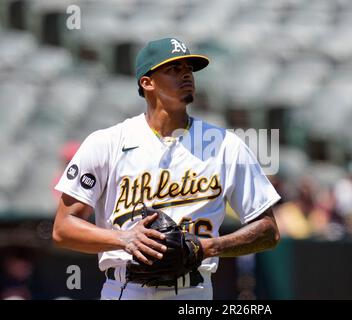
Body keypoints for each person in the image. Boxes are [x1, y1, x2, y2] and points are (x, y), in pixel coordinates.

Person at [52, 38, 281, 300]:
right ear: (147, 82)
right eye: (173, 69)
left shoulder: (226, 145)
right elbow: (63, 228)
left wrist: (207, 247)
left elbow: (268, 231)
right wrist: (125, 239)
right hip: (125, 288)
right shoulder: (107, 142)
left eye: (189, 68)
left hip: (194, 291)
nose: (185, 74)